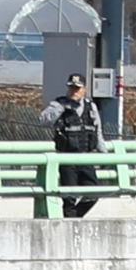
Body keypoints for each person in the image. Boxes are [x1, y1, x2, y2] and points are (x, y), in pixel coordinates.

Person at [46, 72, 107, 218]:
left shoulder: (90, 107)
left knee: (93, 193)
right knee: (69, 197)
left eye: (77, 88)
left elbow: (97, 131)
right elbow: (44, 120)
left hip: (86, 158)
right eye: (71, 87)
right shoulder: (58, 104)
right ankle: (69, 225)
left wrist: (104, 155)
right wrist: (60, 109)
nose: (74, 91)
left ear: (84, 89)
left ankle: (75, 219)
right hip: (67, 158)